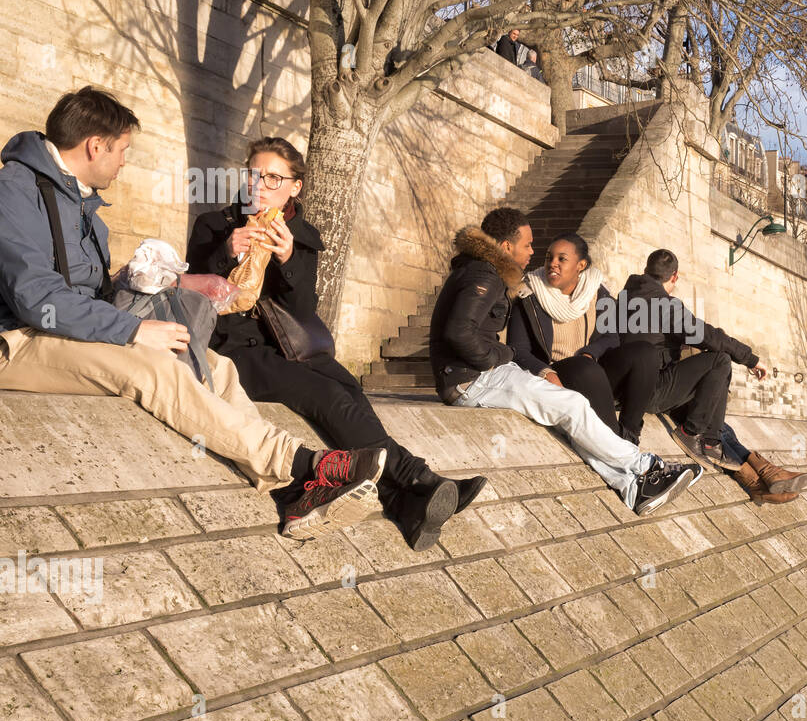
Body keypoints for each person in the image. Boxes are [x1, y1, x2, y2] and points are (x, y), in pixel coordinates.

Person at [0, 87, 384, 536]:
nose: (125, 161)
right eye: (123, 150)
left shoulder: (82, 202)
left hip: (67, 331)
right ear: (95, 146)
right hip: (17, 341)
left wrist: (161, 282)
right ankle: (305, 464)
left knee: (219, 369)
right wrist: (133, 330)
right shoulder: (15, 192)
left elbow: (89, 292)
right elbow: (36, 298)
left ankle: (291, 494)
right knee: (151, 367)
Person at [186, 137, 486, 552]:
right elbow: (194, 294)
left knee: (349, 389)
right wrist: (225, 254)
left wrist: (288, 261)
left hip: (290, 347)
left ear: (295, 186)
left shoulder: (303, 238)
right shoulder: (215, 225)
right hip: (233, 349)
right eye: (253, 174)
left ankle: (402, 502)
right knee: (324, 393)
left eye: (273, 178)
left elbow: (304, 310)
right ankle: (418, 477)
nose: (260, 185)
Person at [428, 207, 698, 515]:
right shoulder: (485, 275)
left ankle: (631, 487)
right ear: (506, 247)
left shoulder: (486, 273)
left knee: (566, 418)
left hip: (476, 375)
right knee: (573, 406)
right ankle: (647, 466)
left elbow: (610, 337)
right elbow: (459, 333)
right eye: (528, 245)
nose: (534, 252)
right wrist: (500, 356)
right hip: (471, 380)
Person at [599, 249, 765, 471]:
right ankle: (696, 435)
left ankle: (715, 443)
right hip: (649, 391)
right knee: (721, 361)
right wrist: (750, 359)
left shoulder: (624, 297)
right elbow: (708, 337)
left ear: (645, 270)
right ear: (675, 276)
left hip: (621, 388)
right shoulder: (666, 306)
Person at [505, 232, 619, 431]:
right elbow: (517, 348)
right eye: (549, 257)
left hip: (590, 368)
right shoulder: (529, 294)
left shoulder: (598, 292)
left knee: (643, 354)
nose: (552, 263)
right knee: (585, 369)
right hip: (556, 372)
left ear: (581, 265)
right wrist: (546, 373)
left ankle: (630, 435)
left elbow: (611, 337)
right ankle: (619, 444)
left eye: (562, 259)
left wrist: (590, 353)